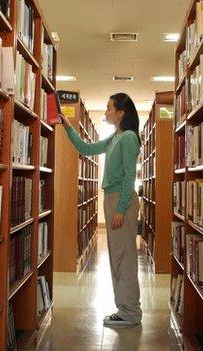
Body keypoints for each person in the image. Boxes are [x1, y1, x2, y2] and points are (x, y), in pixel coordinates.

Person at [59, 93, 142, 326]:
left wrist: (121, 209)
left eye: (109, 108)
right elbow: (86, 148)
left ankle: (130, 312)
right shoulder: (114, 137)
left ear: (120, 113)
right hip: (112, 199)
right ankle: (124, 308)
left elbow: (129, 178)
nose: (106, 112)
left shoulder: (128, 138)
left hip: (121, 201)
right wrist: (67, 127)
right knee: (117, 255)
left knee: (124, 256)